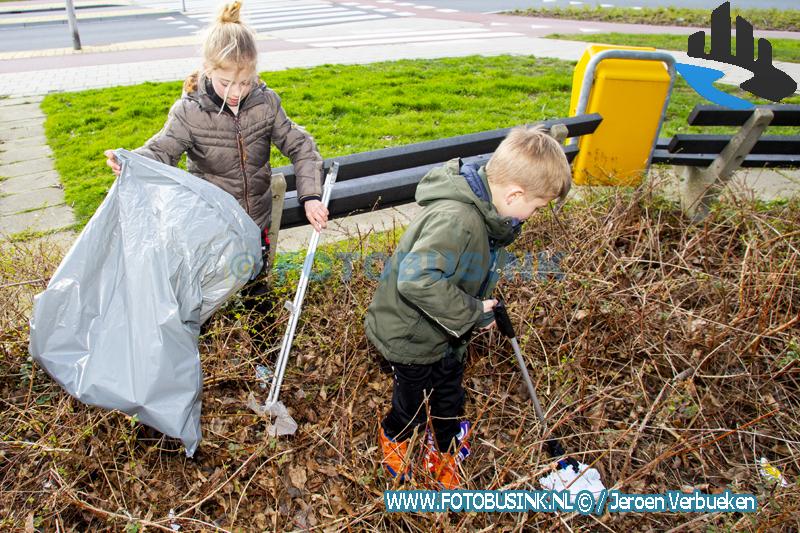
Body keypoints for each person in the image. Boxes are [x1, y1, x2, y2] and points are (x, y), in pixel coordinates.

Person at [364, 125, 571, 489]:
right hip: (410, 335)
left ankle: (444, 445)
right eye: (536, 207)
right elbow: (416, 280)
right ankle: (395, 435)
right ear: (515, 193)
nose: (534, 215)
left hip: (446, 330)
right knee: (411, 403)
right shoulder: (457, 219)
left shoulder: (488, 215)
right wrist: (473, 312)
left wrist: (475, 309)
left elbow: (461, 270)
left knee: (449, 390)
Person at [104, 0, 328, 291]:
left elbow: (301, 145)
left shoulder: (265, 103)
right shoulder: (190, 112)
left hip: (256, 222)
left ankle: (263, 335)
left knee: (256, 293)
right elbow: (162, 150)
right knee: (211, 295)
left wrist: (310, 195)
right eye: (226, 83)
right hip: (213, 227)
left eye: (245, 82)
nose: (236, 92)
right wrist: (129, 161)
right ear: (207, 69)